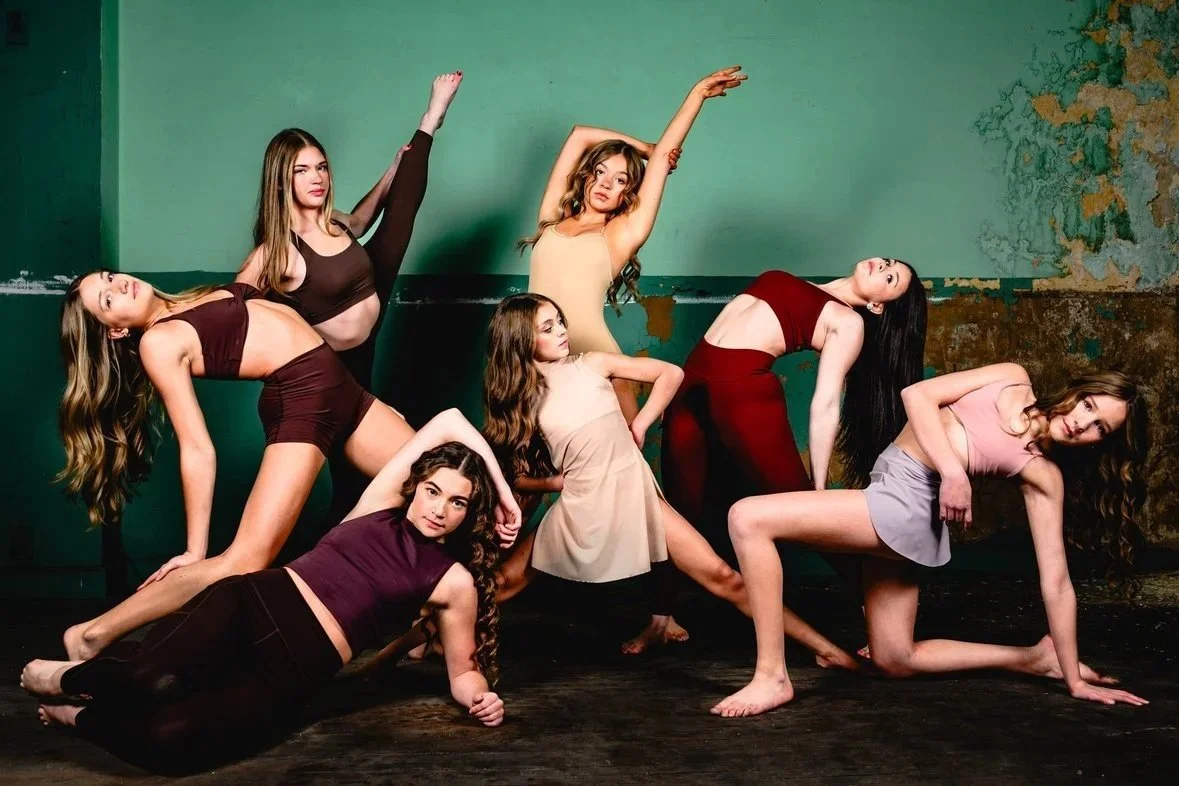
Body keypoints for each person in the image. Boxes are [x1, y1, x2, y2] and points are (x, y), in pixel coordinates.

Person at [57, 270, 520, 661]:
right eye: (107, 299)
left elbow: (283, 233)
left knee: (449, 484)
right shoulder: (159, 341)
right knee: (243, 560)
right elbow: (196, 446)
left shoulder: (197, 298)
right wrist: (195, 548)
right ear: (115, 331)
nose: (119, 286)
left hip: (345, 393)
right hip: (304, 404)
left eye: (111, 277)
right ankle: (91, 635)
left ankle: (425, 623)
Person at [24, 428, 508, 773]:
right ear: (416, 486)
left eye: (458, 502)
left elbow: (462, 671)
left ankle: (78, 715)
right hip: (253, 605)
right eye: (432, 491)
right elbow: (447, 420)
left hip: (292, 672)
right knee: (152, 680)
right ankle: (63, 677)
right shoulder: (379, 504)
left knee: (167, 742)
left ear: (469, 513)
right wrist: (505, 492)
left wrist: (478, 697)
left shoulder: (454, 583)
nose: (439, 509)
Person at [713, 365, 1150, 716]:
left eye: (1100, 428)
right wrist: (955, 473)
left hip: (903, 508)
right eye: (1088, 405)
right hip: (890, 492)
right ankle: (1031, 658)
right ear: (1077, 390)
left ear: (1100, 444)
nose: (1081, 422)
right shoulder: (1011, 376)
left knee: (748, 517)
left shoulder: (1043, 475)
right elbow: (917, 395)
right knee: (895, 659)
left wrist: (1075, 681)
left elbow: (1056, 582)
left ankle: (772, 676)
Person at [485, 293, 854, 666]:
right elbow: (513, 477)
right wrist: (552, 485)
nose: (562, 331)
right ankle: (447, 644)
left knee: (725, 578)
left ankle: (827, 650)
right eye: (548, 328)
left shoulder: (592, 364)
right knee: (502, 584)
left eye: (560, 321)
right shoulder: (521, 402)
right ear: (521, 341)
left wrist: (640, 424)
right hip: (582, 506)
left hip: (635, 495)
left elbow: (671, 373)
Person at [522, 66, 745, 422]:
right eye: (600, 172)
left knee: (624, 448)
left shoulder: (621, 234)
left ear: (628, 192)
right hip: (527, 358)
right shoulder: (552, 217)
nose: (605, 184)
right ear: (586, 175)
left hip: (594, 361)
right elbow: (580, 135)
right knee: (526, 450)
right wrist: (642, 148)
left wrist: (698, 94)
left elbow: (662, 162)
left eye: (620, 180)